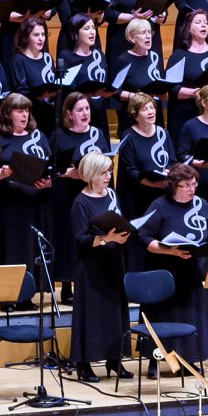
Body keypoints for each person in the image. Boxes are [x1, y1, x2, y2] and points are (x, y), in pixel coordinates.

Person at [135, 163, 208, 373]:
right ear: (174, 186)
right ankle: (155, 360)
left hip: (194, 271)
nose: (192, 189)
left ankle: (189, 359)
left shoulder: (202, 204)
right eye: (186, 185)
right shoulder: (160, 205)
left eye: (194, 184)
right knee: (162, 315)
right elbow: (144, 237)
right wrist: (169, 251)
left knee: (192, 315)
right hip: (165, 271)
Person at [68, 151, 132, 382]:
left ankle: (114, 359)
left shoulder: (112, 194)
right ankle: (83, 363)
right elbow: (80, 239)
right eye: (103, 172)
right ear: (91, 174)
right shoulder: (80, 202)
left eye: (109, 171)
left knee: (115, 311)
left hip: (114, 261)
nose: (108, 176)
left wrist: (123, 234)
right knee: (91, 314)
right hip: (91, 266)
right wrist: (107, 239)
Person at [0, 92, 53, 282]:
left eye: (27, 111)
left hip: (35, 205)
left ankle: (32, 287)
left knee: (33, 248)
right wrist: (2, 172)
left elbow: (49, 166)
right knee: (12, 248)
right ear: (7, 114)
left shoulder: (39, 136)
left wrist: (49, 182)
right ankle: (8, 290)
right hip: (7, 206)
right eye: (19, 111)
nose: (25, 115)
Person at [52, 91, 113, 294]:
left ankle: (95, 282)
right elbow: (52, 168)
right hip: (68, 193)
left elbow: (105, 160)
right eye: (80, 110)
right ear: (69, 114)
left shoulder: (97, 133)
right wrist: (69, 173)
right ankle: (67, 285)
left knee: (95, 234)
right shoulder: (59, 136)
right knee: (70, 237)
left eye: (87, 108)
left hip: (93, 193)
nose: (85, 113)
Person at [166, 9, 208, 132]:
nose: (203, 25)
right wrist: (196, 93)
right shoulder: (180, 55)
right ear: (188, 29)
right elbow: (171, 87)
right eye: (198, 22)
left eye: (205, 22)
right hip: (186, 114)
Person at [117, 91, 172, 218]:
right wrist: (153, 184)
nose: (151, 112)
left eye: (152, 107)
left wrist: (167, 172)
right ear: (135, 115)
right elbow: (130, 170)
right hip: (137, 195)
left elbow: (172, 161)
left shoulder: (163, 133)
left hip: (162, 191)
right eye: (145, 109)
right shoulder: (128, 136)